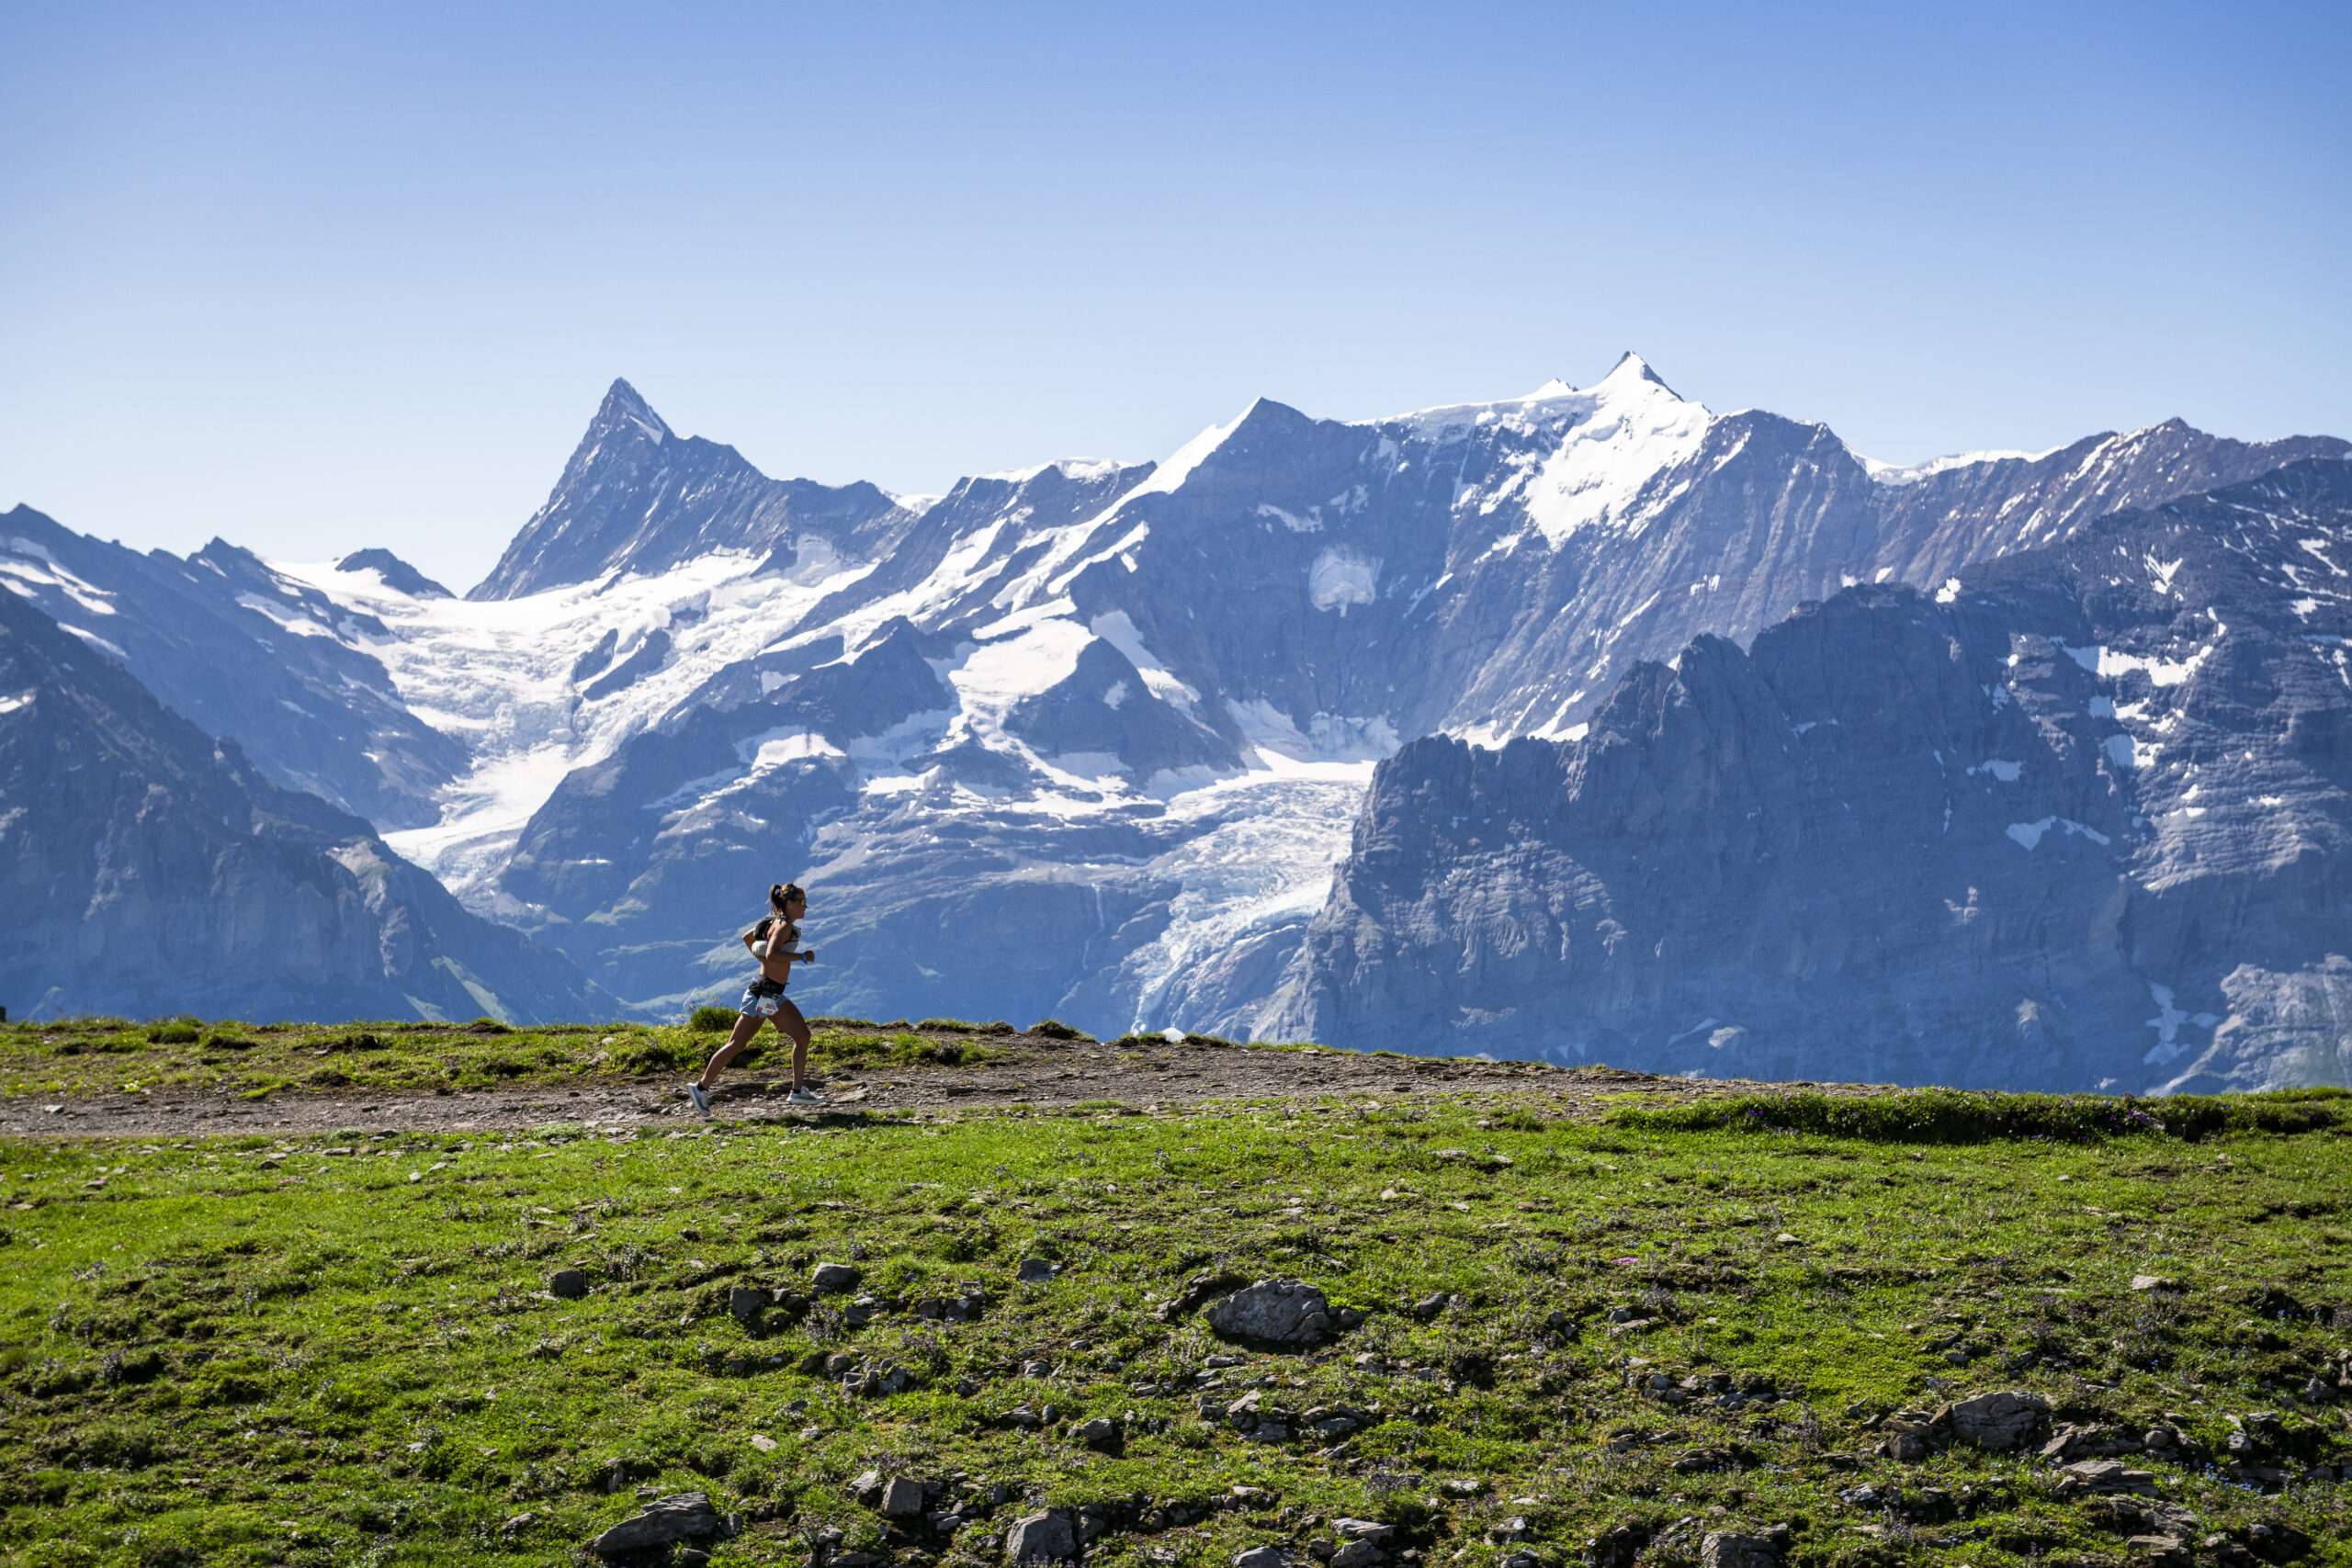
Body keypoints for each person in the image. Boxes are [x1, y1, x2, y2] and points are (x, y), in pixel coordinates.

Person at [684, 882, 820, 1115]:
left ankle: (797, 1091)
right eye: (802, 903)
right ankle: (700, 1088)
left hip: (768, 992)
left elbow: (748, 938)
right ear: (790, 904)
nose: (806, 907)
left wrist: (764, 963)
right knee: (746, 1043)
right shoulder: (784, 925)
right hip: (766, 994)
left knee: (794, 1037)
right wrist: (802, 957)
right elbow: (772, 953)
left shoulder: (773, 921)